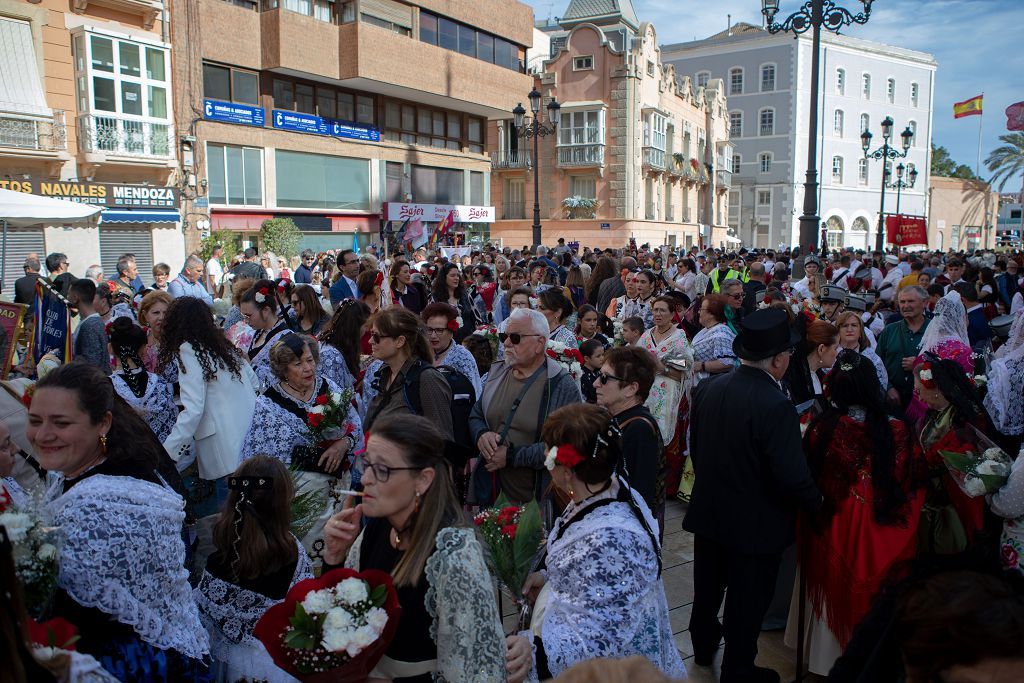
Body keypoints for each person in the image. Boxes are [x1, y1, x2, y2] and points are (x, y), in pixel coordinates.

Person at [27, 362, 211, 680]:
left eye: (60, 422)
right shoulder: (85, 466)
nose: (43, 434)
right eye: (35, 420)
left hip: (130, 662)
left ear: (102, 424)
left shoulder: (101, 502)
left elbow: (79, 609)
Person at [685, 308, 823, 683]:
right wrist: (817, 505)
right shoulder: (775, 404)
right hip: (755, 522)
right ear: (778, 359)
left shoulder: (710, 388)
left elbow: (696, 448)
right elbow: (791, 473)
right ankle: (738, 669)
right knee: (747, 600)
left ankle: (702, 647)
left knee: (707, 588)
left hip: (711, 509)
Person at [321, 415, 507, 682]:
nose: (366, 479)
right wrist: (334, 557)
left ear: (422, 480)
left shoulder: (453, 554)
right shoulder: (376, 528)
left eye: (382, 469)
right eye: (368, 464)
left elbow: (476, 669)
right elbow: (341, 618)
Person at [506, 403, 684, 680]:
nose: (545, 460)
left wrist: (533, 649)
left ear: (566, 472)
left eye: (550, 457)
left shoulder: (613, 540)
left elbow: (602, 638)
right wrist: (549, 577)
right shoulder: (606, 489)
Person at [784, 349, 924, 675]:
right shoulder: (897, 429)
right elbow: (910, 481)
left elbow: (807, 474)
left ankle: (823, 658)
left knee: (827, 582)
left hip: (831, 518)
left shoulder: (822, 425)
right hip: (874, 522)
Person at [241, 334, 362, 558]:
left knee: (342, 547)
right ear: (283, 369)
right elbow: (257, 456)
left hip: (339, 488)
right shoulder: (267, 406)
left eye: (309, 360)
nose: (308, 368)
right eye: (298, 363)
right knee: (311, 552)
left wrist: (343, 444)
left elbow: (355, 426)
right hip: (300, 499)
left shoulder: (329, 388)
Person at [194, 456, 312, 683]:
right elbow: (305, 608)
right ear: (282, 500)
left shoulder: (217, 557)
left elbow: (203, 619)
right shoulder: (291, 552)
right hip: (276, 666)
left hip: (224, 665)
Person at [469, 308, 581, 506]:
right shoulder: (497, 372)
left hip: (536, 506)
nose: (506, 343)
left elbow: (565, 446)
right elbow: (477, 413)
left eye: (515, 337)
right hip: (492, 498)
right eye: (504, 336)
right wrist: (482, 434)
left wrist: (512, 457)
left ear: (540, 344)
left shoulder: (559, 384)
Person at [159, 297, 258, 501]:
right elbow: (255, 383)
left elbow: (193, 409)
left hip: (225, 453)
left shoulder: (188, 350)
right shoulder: (222, 345)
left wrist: (167, 453)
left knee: (234, 519)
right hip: (250, 441)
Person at [913, 354, 989, 555]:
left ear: (936, 389)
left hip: (959, 501)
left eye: (919, 391)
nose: (918, 397)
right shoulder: (931, 416)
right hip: (938, 497)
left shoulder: (964, 421)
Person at [593, 346, 665, 531]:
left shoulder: (639, 428)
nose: (595, 383)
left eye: (604, 378)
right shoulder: (617, 418)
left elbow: (639, 497)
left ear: (631, 389)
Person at [362, 307, 454, 440]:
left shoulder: (427, 378)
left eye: (376, 336)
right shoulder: (384, 373)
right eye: (371, 335)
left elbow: (442, 440)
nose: (370, 341)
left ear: (400, 341)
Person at [636, 296, 693, 498]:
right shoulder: (646, 335)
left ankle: (666, 486)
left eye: (662, 311)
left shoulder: (678, 337)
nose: (658, 315)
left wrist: (662, 368)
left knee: (665, 435)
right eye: (655, 311)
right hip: (646, 391)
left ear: (672, 314)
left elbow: (685, 368)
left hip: (668, 391)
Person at [107, 316, 177, 444]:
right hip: (159, 456)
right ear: (144, 349)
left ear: (110, 349)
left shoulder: (105, 388)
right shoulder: (159, 384)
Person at [876, 286, 932, 412]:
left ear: (924, 302)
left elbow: (945, 364)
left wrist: (919, 365)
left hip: (926, 403)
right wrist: (888, 388)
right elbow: (877, 364)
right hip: (893, 402)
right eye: (902, 302)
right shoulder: (889, 330)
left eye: (911, 301)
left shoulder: (935, 330)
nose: (905, 305)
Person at [239, 279, 293, 391]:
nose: (246, 321)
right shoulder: (259, 331)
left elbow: (284, 380)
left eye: (248, 316)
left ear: (266, 310)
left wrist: (249, 365)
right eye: (243, 316)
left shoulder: (286, 338)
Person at [422, 302, 482, 396]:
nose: (433, 335)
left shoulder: (462, 357)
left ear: (451, 331)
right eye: (429, 330)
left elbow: (473, 393)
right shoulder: (422, 353)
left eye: (439, 330)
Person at [783, 317, 840, 406]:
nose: (837, 354)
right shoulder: (799, 384)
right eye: (835, 348)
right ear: (821, 349)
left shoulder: (817, 375)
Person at [318, 298, 371, 391]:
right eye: (365, 326)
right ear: (354, 326)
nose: (367, 330)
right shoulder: (331, 355)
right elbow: (336, 398)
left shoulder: (341, 344)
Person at [691, 294, 737, 387]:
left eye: (702, 309)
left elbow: (728, 362)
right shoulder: (708, 329)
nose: (699, 312)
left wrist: (701, 366)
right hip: (703, 383)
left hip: (714, 386)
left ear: (712, 314)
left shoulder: (721, 334)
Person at [69, 278, 111, 375]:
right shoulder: (91, 322)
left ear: (75, 297)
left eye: (68, 294)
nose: (67, 297)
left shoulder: (90, 325)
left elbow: (92, 364)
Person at [835, 310, 888, 388]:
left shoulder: (871, 357)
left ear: (861, 331)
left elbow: (882, 385)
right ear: (838, 330)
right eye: (845, 326)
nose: (849, 329)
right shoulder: (830, 355)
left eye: (854, 325)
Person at [429, 262, 477, 342]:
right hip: (445, 342)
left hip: (468, 341)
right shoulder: (435, 298)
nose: (456, 278)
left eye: (458, 275)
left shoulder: (466, 295)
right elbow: (431, 321)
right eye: (452, 275)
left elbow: (476, 318)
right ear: (444, 278)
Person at [579, 338, 604, 403]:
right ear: (586, 358)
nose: (602, 358)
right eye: (598, 356)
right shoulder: (581, 376)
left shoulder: (601, 370)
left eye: (603, 355)